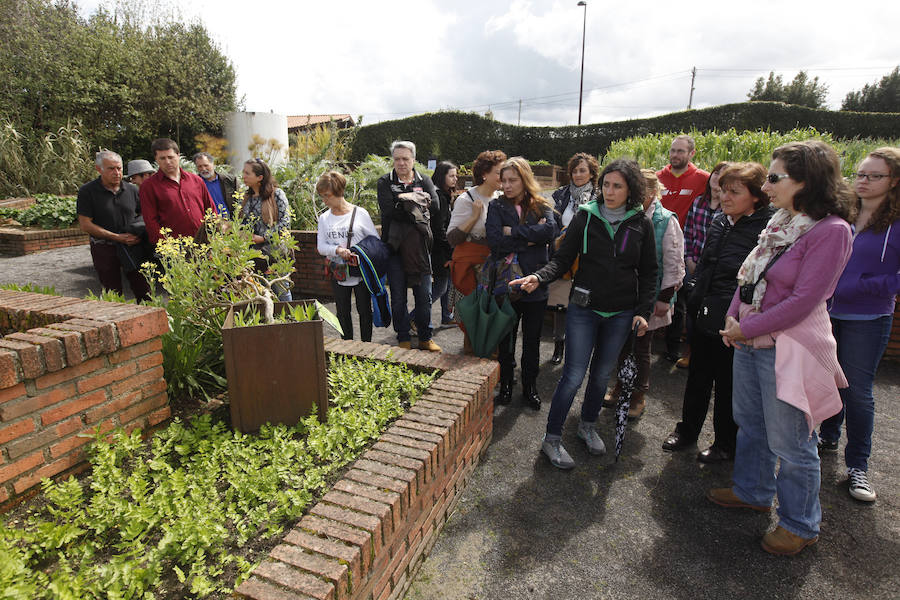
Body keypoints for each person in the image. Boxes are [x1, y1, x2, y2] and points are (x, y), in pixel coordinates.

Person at [710, 141, 853, 556]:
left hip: (787, 348)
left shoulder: (831, 231)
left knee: (792, 441)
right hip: (751, 340)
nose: (767, 185)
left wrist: (744, 327)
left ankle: (800, 524)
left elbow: (805, 301)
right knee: (750, 422)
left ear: (806, 181)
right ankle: (752, 490)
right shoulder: (781, 221)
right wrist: (733, 322)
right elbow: (749, 277)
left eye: (774, 178)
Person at [512, 159, 657, 469]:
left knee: (602, 375)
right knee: (573, 375)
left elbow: (649, 272)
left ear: (630, 189)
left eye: (617, 186)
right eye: (606, 184)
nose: (610, 191)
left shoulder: (640, 222)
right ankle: (551, 439)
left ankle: (587, 426)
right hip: (584, 309)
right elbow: (562, 259)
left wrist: (643, 311)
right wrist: (539, 276)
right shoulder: (585, 217)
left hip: (621, 313)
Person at [662, 162, 774, 462]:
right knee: (698, 376)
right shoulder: (720, 221)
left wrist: (734, 314)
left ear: (756, 196)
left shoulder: (767, 229)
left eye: (734, 192)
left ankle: (725, 444)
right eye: (723, 190)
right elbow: (707, 263)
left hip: (736, 320)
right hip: (704, 310)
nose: (724, 197)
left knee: (728, 384)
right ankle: (686, 432)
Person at [818, 147, 900, 502]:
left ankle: (858, 467)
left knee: (858, 391)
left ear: (893, 181)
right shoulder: (843, 213)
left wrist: (858, 285)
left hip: (867, 316)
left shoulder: (896, 224)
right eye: (860, 174)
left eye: (874, 176)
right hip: (826, 312)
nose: (863, 181)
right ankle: (829, 434)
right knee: (826, 378)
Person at [608, 169, 684, 419]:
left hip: (651, 296)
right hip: (626, 293)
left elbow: (674, 263)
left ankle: (638, 396)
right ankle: (621, 387)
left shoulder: (665, 219)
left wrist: (665, 298)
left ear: (652, 192)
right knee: (622, 344)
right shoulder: (631, 216)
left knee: (641, 347)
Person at [485, 157, 556, 409]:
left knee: (532, 341)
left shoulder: (540, 204)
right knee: (506, 340)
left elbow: (550, 233)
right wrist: (530, 237)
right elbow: (494, 241)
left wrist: (512, 232)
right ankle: (505, 385)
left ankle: (530, 387)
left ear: (524, 179)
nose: (506, 185)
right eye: (503, 180)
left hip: (535, 283)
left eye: (512, 180)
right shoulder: (496, 206)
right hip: (507, 283)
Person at [377, 140, 441, 351]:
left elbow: (436, 205)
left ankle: (425, 337)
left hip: (421, 250)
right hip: (395, 250)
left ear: (413, 159)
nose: (401, 163)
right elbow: (389, 210)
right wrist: (415, 202)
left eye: (405, 158)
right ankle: (403, 336)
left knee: (424, 297)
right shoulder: (385, 181)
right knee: (398, 298)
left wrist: (404, 199)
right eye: (397, 159)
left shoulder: (425, 180)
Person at [657, 135, 710, 363]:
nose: (675, 155)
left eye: (681, 151)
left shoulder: (702, 179)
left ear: (692, 154)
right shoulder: (659, 178)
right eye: (673, 151)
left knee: (681, 301)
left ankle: (674, 347)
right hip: (658, 247)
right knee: (662, 295)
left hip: (688, 250)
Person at [447, 150, 506, 355]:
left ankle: (491, 366)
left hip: (495, 265)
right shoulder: (467, 199)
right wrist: (474, 217)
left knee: (492, 316)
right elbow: (452, 238)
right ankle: (471, 368)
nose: (503, 177)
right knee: (473, 318)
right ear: (484, 174)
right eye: (499, 172)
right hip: (471, 265)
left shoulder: (502, 197)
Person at [77, 151, 151, 302]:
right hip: (104, 248)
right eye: (111, 169)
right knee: (113, 293)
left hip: (132, 246)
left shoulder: (132, 190)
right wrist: (116, 237)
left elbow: (144, 214)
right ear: (99, 169)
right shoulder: (87, 191)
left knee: (144, 290)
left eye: (119, 168)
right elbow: (85, 225)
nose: (116, 173)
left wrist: (137, 233)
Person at [547, 152, 600, 365]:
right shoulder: (560, 195)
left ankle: (578, 350)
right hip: (563, 255)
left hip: (587, 259)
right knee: (560, 304)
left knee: (582, 304)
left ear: (591, 173)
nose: (578, 175)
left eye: (582, 170)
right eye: (575, 171)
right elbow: (550, 221)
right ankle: (558, 345)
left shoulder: (599, 196)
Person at [676, 161, 727, 369]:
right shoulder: (698, 202)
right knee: (691, 308)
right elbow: (687, 233)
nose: (717, 179)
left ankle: (707, 354)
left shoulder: (730, 207)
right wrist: (688, 259)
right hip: (693, 264)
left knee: (712, 311)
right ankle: (689, 351)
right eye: (715, 174)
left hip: (715, 270)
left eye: (723, 176)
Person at [316, 170, 378, 342]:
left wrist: (358, 252)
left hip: (360, 270)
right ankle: (346, 346)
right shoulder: (324, 218)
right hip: (339, 269)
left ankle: (366, 348)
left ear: (339, 192)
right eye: (322, 196)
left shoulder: (360, 214)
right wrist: (337, 250)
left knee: (365, 310)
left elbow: (375, 241)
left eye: (327, 195)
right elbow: (321, 247)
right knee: (342, 311)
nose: (324, 200)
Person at [140, 138, 217, 244]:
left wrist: (215, 236)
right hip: (175, 248)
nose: (167, 162)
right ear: (156, 159)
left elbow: (211, 210)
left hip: (205, 243)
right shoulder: (149, 186)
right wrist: (166, 247)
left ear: (178, 155)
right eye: (162, 158)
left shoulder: (196, 180)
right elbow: (150, 221)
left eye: (170, 157)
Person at [238, 158, 293, 301]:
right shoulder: (245, 198)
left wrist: (264, 237)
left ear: (260, 177)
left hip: (275, 252)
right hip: (253, 255)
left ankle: (291, 322)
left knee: (281, 291)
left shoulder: (276, 194)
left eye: (247, 173)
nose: (243, 176)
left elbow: (285, 222)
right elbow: (241, 222)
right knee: (260, 294)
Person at [429, 161, 457, 326]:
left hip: (444, 248)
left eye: (456, 175)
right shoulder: (439, 197)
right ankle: (413, 317)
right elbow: (438, 229)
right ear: (442, 176)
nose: (455, 179)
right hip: (440, 250)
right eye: (451, 175)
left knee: (448, 283)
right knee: (440, 286)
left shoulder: (443, 195)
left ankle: (447, 316)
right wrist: (449, 252)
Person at [194, 152, 237, 218]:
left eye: (206, 165)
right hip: (209, 225)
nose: (203, 169)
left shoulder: (229, 180)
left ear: (213, 164)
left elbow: (240, 202)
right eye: (200, 166)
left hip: (231, 223)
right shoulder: (194, 184)